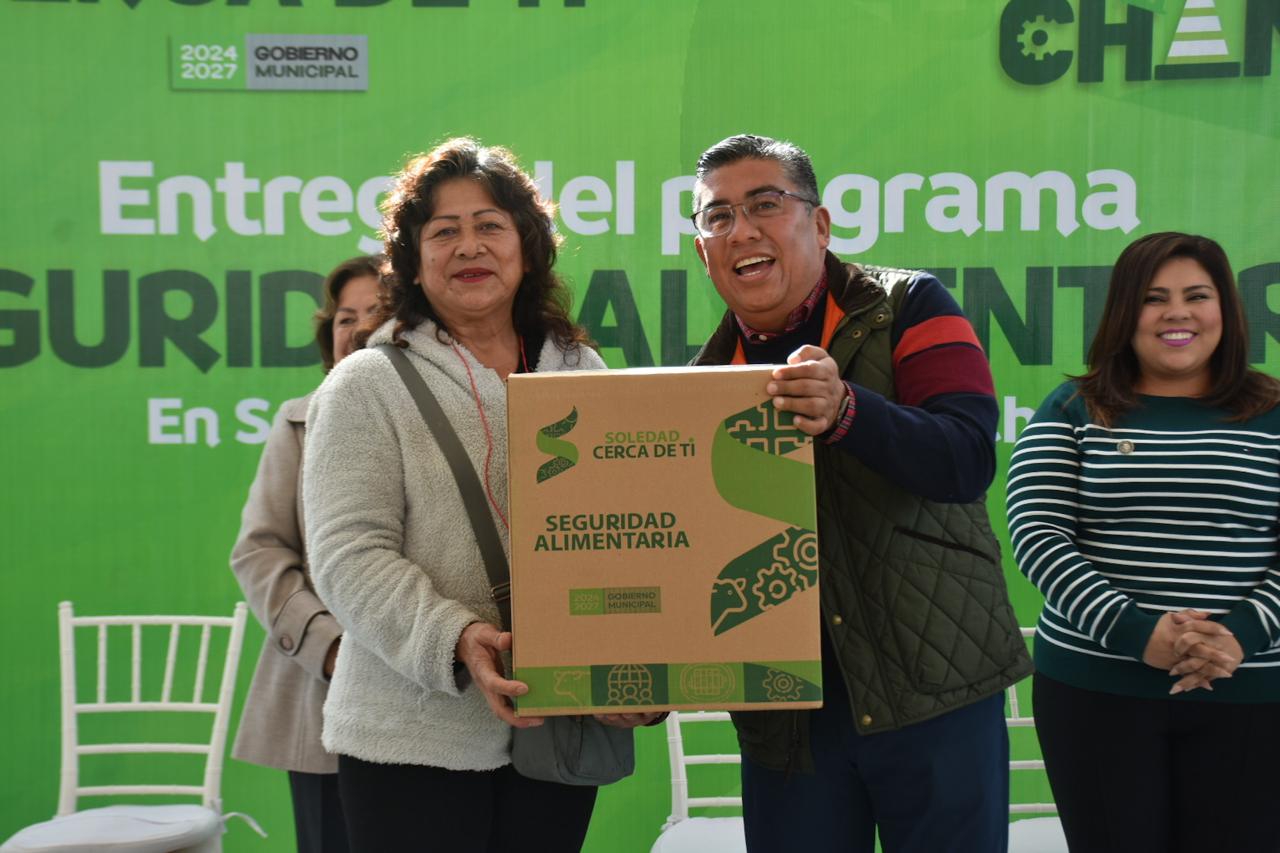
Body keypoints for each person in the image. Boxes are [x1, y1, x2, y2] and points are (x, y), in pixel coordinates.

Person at [302, 138, 656, 853]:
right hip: (410, 741)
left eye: (490, 224)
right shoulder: (365, 385)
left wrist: (635, 671)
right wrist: (457, 639)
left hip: (558, 732)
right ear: (413, 259)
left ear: (527, 245)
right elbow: (346, 555)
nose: (470, 245)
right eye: (443, 231)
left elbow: (631, 536)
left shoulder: (582, 370)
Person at [688, 134, 1031, 853]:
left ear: (819, 225)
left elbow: (967, 457)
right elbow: (690, 556)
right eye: (717, 216)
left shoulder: (910, 305)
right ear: (702, 251)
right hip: (788, 722)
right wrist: (651, 672)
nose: (741, 229)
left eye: (764, 204)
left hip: (933, 689)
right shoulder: (704, 379)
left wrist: (851, 412)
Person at [1008, 232, 1280, 851]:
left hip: (1255, 692)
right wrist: (1137, 633)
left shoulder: (1274, 409)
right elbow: (1036, 531)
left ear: (1226, 310)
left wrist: (1243, 634)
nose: (1177, 313)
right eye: (1154, 298)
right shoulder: (1075, 407)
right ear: (1125, 312)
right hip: (1096, 690)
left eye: (1196, 295)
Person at [229, 254, 383, 853]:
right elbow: (260, 551)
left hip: (433, 700)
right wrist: (328, 647)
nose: (360, 328)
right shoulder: (298, 421)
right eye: (347, 317)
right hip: (326, 695)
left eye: (378, 311)